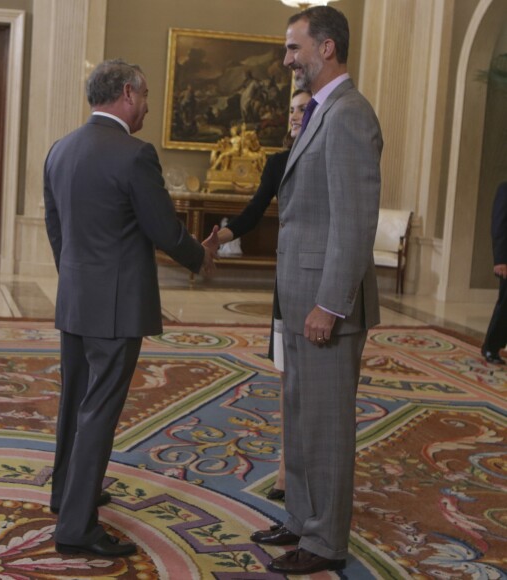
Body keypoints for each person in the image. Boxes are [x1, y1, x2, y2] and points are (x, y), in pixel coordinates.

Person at [43, 59, 219, 559]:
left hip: (76, 298)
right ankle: (76, 529)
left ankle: (65, 494)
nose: (146, 106)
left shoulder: (60, 150)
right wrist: (199, 257)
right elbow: (163, 230)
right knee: (98, 411)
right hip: (117, 309)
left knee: (74, 403)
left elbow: (56, 227)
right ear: (126, 93)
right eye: (144, 96)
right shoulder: (135, 154)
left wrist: (77, 277)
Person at [250, 6, 382, 576]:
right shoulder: (319, 113)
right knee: (301, 414)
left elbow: (354, 223)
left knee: (327, 425)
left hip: (326, 303)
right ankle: (302, 520)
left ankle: (326, 541)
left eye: (293, 48)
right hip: (300, 297)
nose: (286, 60)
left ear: (325, 48)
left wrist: (330, 303)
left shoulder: (350, 115)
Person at [217, 89, 312, 501]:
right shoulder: (277, 163)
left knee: (315, 385)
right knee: (289, 382)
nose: (294, 116)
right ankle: (286, 471)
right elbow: (254, 212)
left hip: (319, 280)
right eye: (292, 109)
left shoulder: (326, 157)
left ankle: (311, 471)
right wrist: (216, 238)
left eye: (303, 109)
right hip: (287, 283)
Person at [481, 181, 507, 364]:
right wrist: (500, 260)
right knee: (506, 305)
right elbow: (499, 226)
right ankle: (491, 347)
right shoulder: (505, 189)